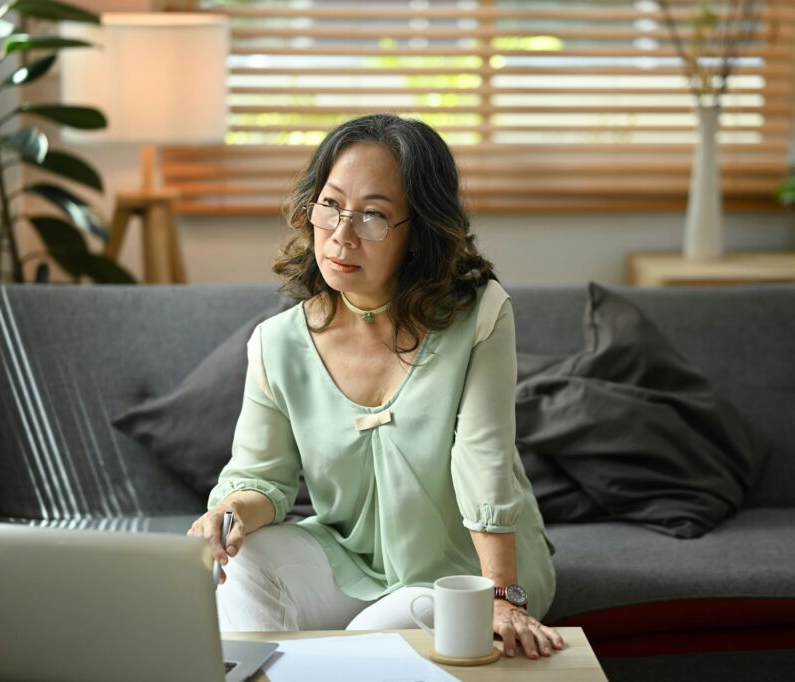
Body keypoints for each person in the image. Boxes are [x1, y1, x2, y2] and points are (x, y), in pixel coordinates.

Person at [187, 113, 562, 660]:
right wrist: (228, 517)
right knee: (245, 566)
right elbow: (259, 478)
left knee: (412, 614)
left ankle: (316, 662)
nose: (341, 234)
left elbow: (484, 460)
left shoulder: (479, 316)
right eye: (330, 205)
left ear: (419, 234)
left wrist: (501, 596)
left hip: (460, 578)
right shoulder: (276, 343)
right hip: (348, 563)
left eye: (373, 216)